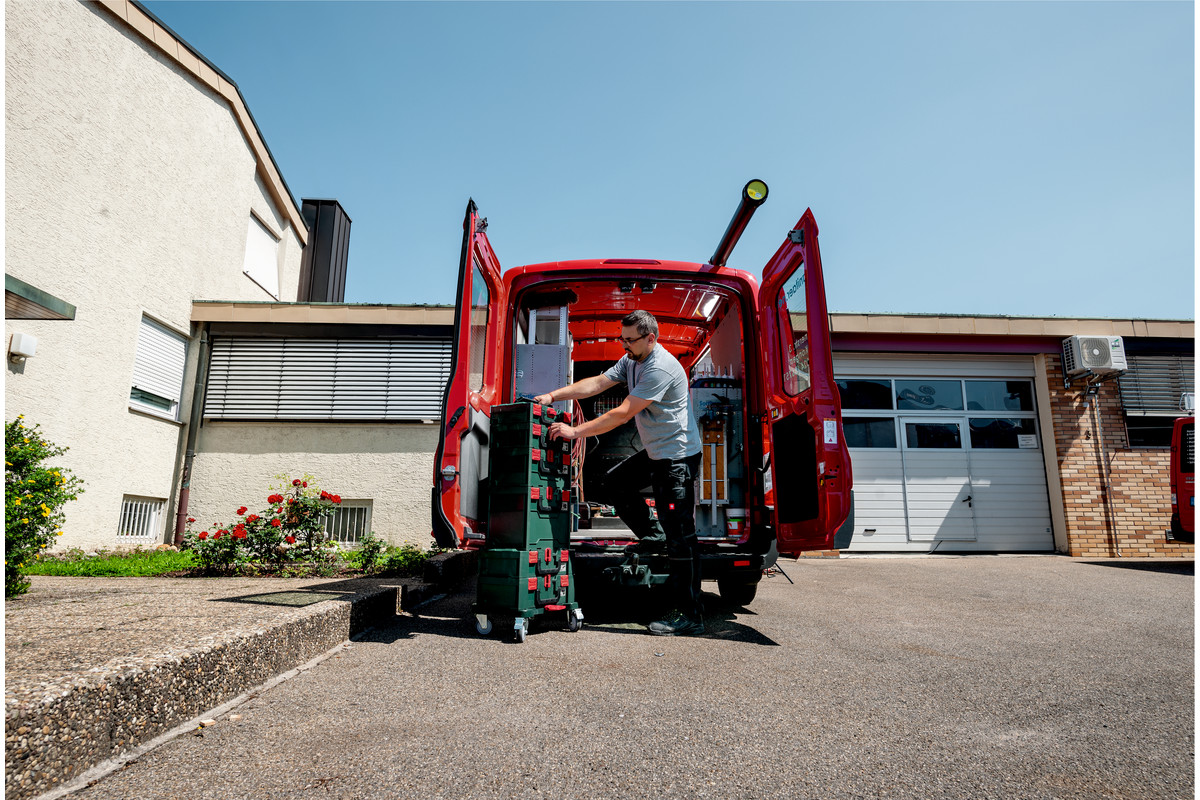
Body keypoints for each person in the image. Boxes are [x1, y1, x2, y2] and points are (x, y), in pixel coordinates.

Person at [535, 309, 705, 636]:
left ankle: (689, 614)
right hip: (656, 452)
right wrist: (554, 395)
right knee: (614, 483)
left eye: (630, 339)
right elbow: (598, 383)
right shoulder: (632, 360)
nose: (624, 345)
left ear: (650, 338)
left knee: (681, 536)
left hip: (677, 458)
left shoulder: (660, 367)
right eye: (622, 338)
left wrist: (575, 432)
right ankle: (653, 535)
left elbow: (623, 413)